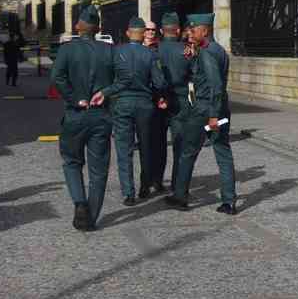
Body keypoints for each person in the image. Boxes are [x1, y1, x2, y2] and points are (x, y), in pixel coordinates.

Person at [164, 13, 237, 214]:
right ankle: (229, 201)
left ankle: (180, 196)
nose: (190, 32)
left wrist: (212, 115)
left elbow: (214, 85)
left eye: (193, 30)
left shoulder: (207, 53)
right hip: (221, 108)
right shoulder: (216, 50)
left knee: (188, 151)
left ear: (205, 31)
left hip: (206, 110)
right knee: (223, 152)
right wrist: (194, 56)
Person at [52, 6, 116, 230]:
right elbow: (121, 80)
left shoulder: (66, 50)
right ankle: (92, 217)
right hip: (101, 115)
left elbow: (57, 77)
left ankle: (80, 202)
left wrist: (74, 99)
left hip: (75, 114)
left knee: (71, 162)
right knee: (98, 170)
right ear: (98, 29)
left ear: (78, 26)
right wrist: (105, 93)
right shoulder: (109, 50)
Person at [94, 17, 167, 206]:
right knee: (146, 146)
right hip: (144, 104)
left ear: (127, 33)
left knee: (124, 149)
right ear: (143, 34)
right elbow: (159, 83)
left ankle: (128, 192)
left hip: (122, 103)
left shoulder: (116, 52)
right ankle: (145, 186)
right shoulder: (151, 55)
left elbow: (111, 80)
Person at [152, 12, 187, 195]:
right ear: (179, 30)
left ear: (161, 30)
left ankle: (157, 180)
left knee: (158, 143)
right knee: (179, 146)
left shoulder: (154, 50)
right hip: (180, 100)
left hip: (158, 100)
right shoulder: (187, 50)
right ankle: (177, 184)